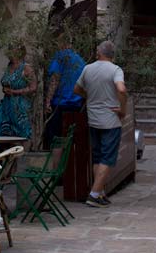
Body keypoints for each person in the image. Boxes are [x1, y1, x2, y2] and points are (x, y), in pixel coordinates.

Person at [74, 40, 127, 208]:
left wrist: (89, 97)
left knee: (97, 156)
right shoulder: (115, 70)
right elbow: (121, 89)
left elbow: (77, 89)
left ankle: (100, 192)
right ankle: (94, 194)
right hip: (110, 120)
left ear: (99, 53)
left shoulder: (87, 68)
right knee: (107, 157)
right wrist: (122, 109)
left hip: (93, 118)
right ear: (113, 54)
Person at [44, 40, 85, 147]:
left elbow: (55, 79)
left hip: (60, 104)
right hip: (76, 105)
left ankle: (56, 163)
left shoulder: (60, 57)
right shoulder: (80, 60)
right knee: (71, 140)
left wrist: (48, 101)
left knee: (56, 140)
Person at [0, 49, 36, 139]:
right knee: (4, 132)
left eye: (13, 51)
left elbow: (33, 88)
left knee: (20, 133)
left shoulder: (26, 68)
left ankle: (21, 152)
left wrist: (14, 91)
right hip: (7, 103)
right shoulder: (9, 66)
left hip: (20, 105)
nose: (10, 54)